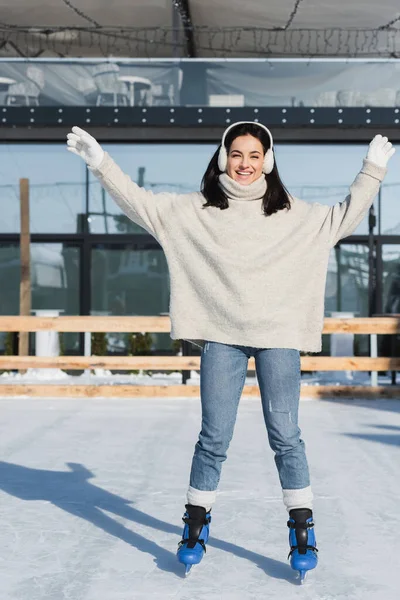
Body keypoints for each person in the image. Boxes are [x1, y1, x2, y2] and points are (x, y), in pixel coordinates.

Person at [66, 122, 394, 581]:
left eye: (254, 155)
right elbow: (138, 202)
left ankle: (302, 530)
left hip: (278, 335)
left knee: (286, 434)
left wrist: (372, 171)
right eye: (237, 154)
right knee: (214, 438)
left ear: (268, 160)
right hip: (221, 334)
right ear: (223, 157)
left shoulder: (294, 215)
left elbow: (344, 215)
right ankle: (195, 527)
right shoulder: (194, 212)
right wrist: (101, 164)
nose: (245, 163)